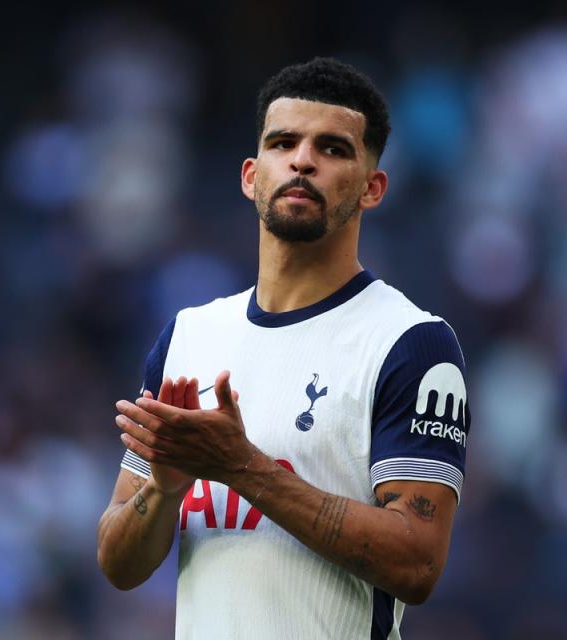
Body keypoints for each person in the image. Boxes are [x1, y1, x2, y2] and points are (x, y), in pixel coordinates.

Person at [97, 57, 469, 639]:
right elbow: (118, 565)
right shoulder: (190, 336)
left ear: (373, 188)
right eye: (283, 142)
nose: (302, 160)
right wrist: (163, 489)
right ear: (251, 175)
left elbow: (418, 564)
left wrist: (241, 467)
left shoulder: (411, 343)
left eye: (333, 149)